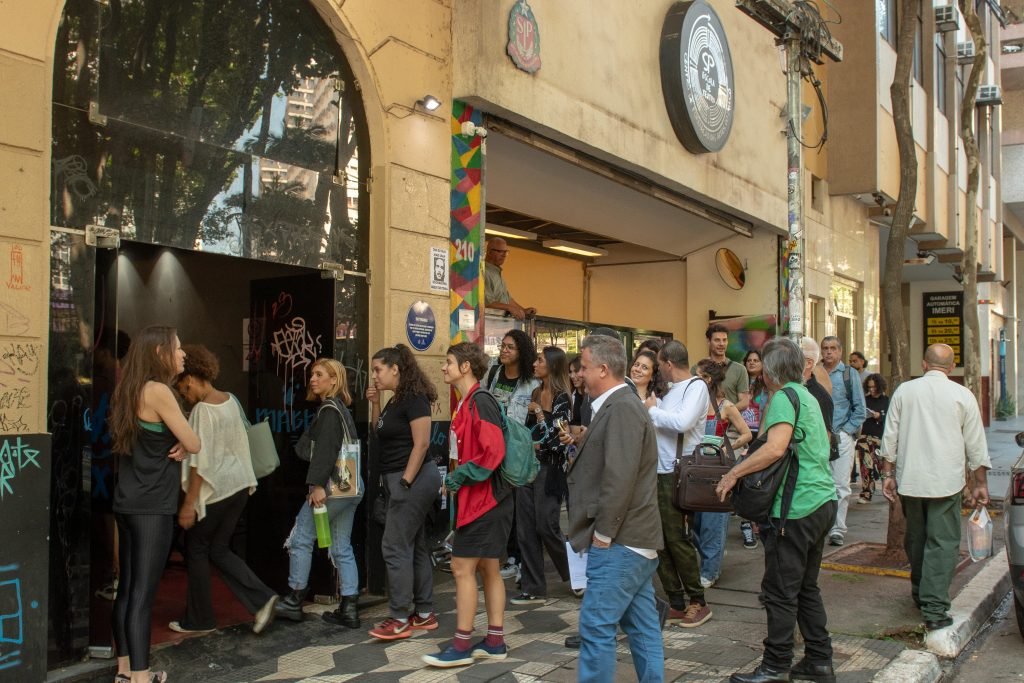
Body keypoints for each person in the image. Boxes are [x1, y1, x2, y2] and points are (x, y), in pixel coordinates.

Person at [715, 338, 839, 683]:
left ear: (769, 372)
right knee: (806, 588)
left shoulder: (784, 397)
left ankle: (775, 665)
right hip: (821, 502)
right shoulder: (807, 395)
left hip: (797, 509)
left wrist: (733, 474)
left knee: (780, 591)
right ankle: (819, 660)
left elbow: (775, 448)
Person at [567, 334, 664, 683]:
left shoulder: (622, 407)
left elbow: (619, 478)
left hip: (621, 541)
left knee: (596, 626)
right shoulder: (617, 405)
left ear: (603, 369)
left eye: (584, 366)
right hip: (634, 541)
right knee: (642, 627)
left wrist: (604, 534)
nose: (579, 374)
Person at [109, 326, 200, 683]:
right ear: (160, 353)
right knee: (143, 596)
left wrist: (178, 443)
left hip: (126, 502)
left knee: (126, 590)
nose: (183, 354)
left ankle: (124, 671)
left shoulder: (127, 389)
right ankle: (141, 678)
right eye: (177, 348)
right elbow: (193, 442)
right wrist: (183, 443)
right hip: (151, 506)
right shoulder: (159, 391)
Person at [879, 344, 990, 631]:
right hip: (946, 482)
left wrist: (887, 474)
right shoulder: (962, 395)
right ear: (951, 368)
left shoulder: (904, 391)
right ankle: (935, 608)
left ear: (924, 365)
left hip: (911, 480)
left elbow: (890, 435)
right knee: (942, 543)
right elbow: (976, 444)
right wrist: (980, 483)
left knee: (916, 539)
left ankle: (921, 593)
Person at [172, 345, 277, 635]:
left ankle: (200, 619)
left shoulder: (202, 410)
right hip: (239, 486)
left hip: (217, 490)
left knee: (196, 547)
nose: (184, 397)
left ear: (190, 379)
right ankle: (262, 598)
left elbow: (199, 463)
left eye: (182, 389)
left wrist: (189, 504)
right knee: (218, 548)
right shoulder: (230, 400)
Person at [421, 343, 513, 667]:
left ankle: (461, 645)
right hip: (483, 501)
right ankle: (495, 642)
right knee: (489, 568)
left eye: (448, 362)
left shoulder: (479, 401)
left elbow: (493, 452)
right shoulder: (467, 402)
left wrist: (461, 476)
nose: (443, 367)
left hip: (484, 503)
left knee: (461, 568)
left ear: (465, 367)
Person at [274, 359, 364, 629]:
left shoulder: (329, 411)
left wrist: (316, 485)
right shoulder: (341, 409)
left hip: (332, 487)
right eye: (312, 374)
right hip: (351, 486)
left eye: (319, 374)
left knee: (301, 537)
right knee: (341, 546)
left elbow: (325, 451)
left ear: (333, 380)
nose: (312, 379)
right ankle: (349, 608)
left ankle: (294, 599)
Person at [366, 344, 443, 640]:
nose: (374, 375)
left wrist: (406, 482)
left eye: (378, 369)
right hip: (401, 479)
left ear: (395, 369)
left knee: (394, 545)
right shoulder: (395, 400)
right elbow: (380, 433)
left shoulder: (414, 399)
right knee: (415, 544)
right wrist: (375, 404)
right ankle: (424, 614)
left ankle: (398, 618)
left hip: (413, 479)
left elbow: (421, 444)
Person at [645, 340, 712, 627]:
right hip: (659, 472)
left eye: (660, 364)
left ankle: (698, 601)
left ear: (669, 364)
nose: (659, 369)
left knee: (678, 539)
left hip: (679, 474)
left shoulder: (696, 387)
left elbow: (683, 423)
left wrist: (653, 410)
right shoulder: (670, 392)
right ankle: (675, 601)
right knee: (659, 540)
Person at [512, 346, 572, 604]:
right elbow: (531, 433)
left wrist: (537, 412)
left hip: (550, 468)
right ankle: (533, 587)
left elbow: (557, 440)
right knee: (525, 528)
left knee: (546, 526)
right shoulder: (536, 392)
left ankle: (574, 575)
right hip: (528, 466)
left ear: (552, 366)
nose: (534, 364)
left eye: (539, 360)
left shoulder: (562, 398)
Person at [692, 359, 752, 588]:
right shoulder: (692, 403)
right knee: (695, 523)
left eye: (698, 376)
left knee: (714, 521)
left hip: (717, 468)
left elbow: (746, 434)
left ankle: (710, 570)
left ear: (709, 379)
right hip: (695, 469)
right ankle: (714, 554)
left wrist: (728, 448)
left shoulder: (725, 405)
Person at [485, 329, 540, 579]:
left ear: (522, 352)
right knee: (499, 503)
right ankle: (505, 553)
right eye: (503, 346)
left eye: (510, 347)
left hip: (517, 450)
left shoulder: (532, 383)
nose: (504, 350)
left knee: (518, 507)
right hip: (493, 447)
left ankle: (516, 558)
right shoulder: (493, 373)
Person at [819, 336, 866, 546]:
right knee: (819, 483)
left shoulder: (849, 374)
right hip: (818, 436)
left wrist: (846, 432)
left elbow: (860, 409)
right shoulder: (815, 372)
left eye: (832, 348)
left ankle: (837, 529)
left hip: (841, 436)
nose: (828, 352)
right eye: (825, 348)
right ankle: (820, 526)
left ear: (840, 351)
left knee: (840, 485)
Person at [484, 237, 536, 320]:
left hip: (500, 322)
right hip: (487, 321)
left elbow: (508, 300)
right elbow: (487, 302)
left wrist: (523, 310)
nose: (504, 255)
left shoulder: (497, 273)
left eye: (506, 252)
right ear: (489, 252)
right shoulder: (483, 272)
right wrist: (509, 308)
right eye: (500, 251)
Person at [856, 373, 889, 504]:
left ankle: (888, 489)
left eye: (874, 387)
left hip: (880, 437)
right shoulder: (864, 400)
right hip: (865, 436)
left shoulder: (886, 400)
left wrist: (879, 416)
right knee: (865, 466)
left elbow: (890, 418)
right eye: (869, 387)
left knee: (882, 466)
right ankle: (866, 493)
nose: (872, 389)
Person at [568, 354, 586, 426]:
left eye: (576, 371)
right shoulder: (570, 395)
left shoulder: (593, 396)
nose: (572, 376)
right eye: (570, 372)